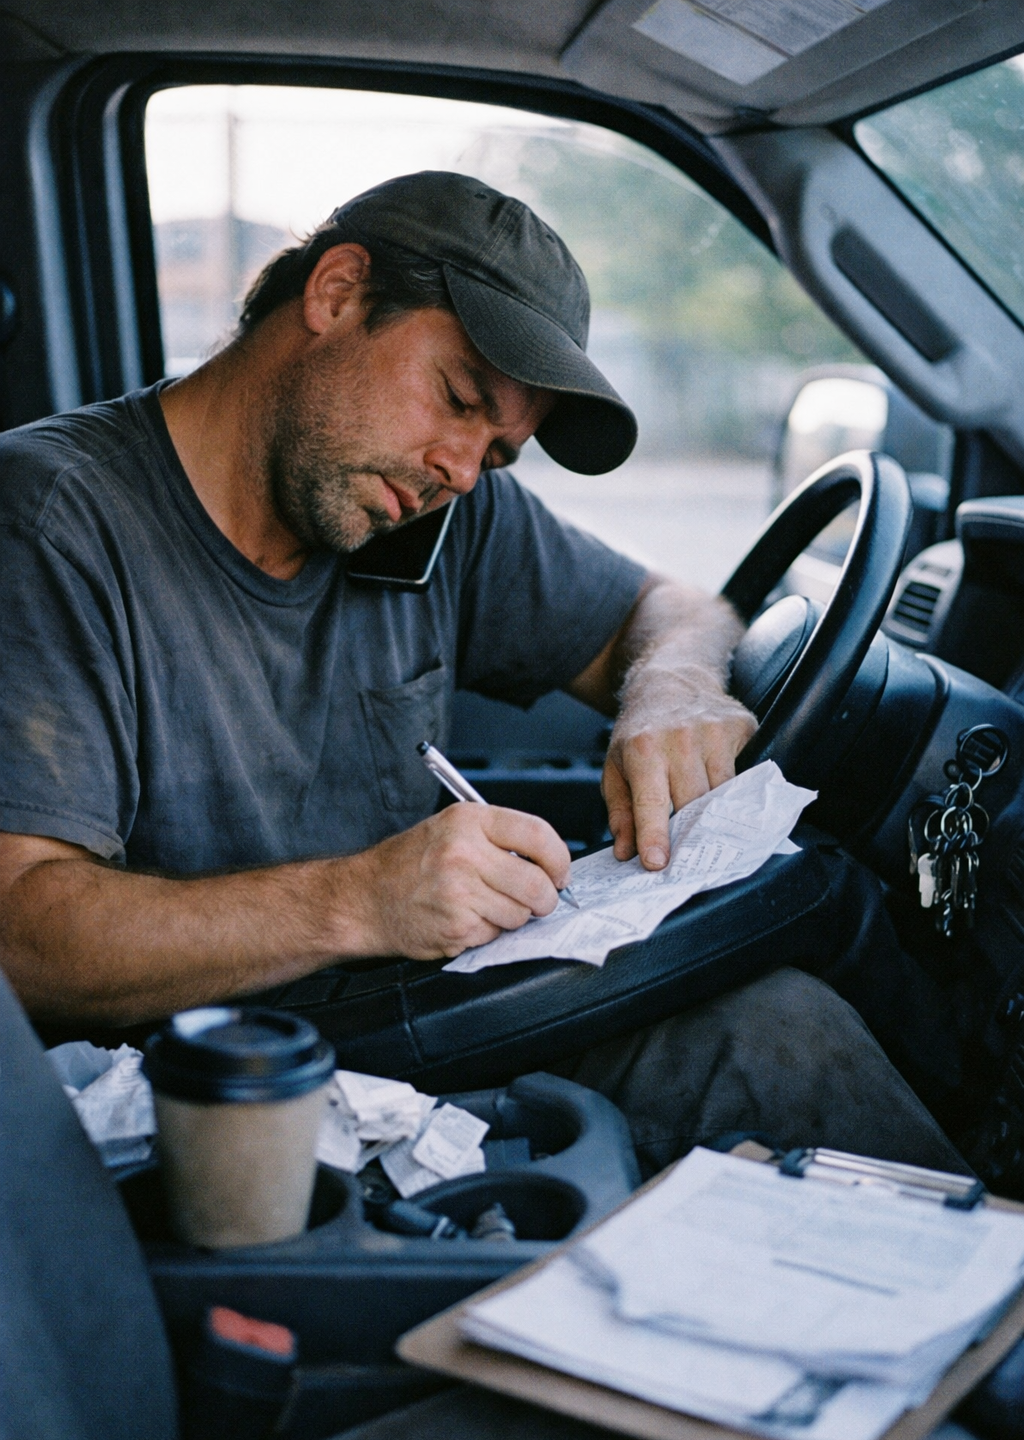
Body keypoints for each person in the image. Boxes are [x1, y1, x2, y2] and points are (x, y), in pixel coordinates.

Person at [0, 170, 963, 1174]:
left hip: (428, 1011)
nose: (460, 469)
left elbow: (672, 610)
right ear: (336, 294)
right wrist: (360, 901)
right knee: (774, 1039)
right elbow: (20, 936)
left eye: (498, 453)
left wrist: (669, 689)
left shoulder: (435, 513)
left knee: (809, 946)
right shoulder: (50, 521)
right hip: (234, 1094)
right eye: (457, 399)